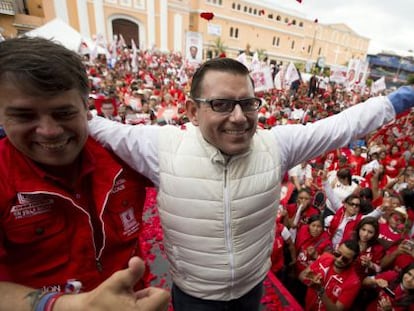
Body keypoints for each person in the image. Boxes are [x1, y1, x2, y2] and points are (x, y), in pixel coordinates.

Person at [89, 57, 414, 310]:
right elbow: (90, 124)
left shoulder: (277, 145)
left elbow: (341, 126)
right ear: (192, 111)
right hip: (195, 298)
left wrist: (399, 100)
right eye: (221, 104)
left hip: (252, 289)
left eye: (247, 103)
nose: (239, 117)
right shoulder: (159, 146)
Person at [0, 37, 169, 311]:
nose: (49, 130)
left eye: (63, 113)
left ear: (86, 108)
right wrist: (64, 306)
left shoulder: (123, 155)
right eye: (24, 116)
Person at [298, 239, 361, 311]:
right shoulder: (325, 257)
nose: (339, 259)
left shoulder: (353, 282)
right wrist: (310, 281)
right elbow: (301, 275)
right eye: (338, 254)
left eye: (345, 259)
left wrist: (320, 291)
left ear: (353, 261)